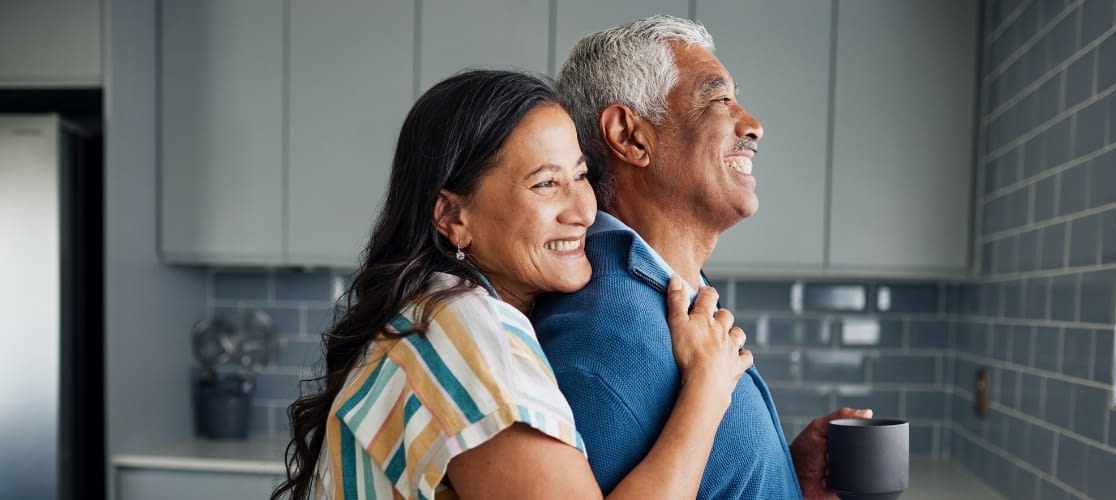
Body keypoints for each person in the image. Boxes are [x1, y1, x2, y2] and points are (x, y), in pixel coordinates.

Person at [271, 69, 755, 500]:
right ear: (453, 216)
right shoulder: (469, 334)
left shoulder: (431, 313)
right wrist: (707, 390)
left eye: (581, 175)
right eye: (545, 184)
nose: (584, 211)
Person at [532, 15, 872, 500]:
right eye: (719, 100)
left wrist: (785, 480)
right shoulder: (604, 337)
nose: (754, 126)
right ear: (630, 137)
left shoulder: (669, 296)